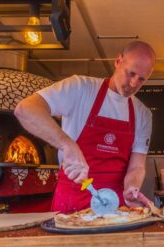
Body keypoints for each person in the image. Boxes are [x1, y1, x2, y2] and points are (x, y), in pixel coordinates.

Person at [14, 41, 155, 213]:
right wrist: (67, 144)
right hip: (72, 203)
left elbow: (137, 167)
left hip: (115, 207)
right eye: (131, 73)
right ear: (118, 61)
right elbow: (26, 109)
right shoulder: (80, 88)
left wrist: (132, 187)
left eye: (141, 79)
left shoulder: (143, 114)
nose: (133, 84)